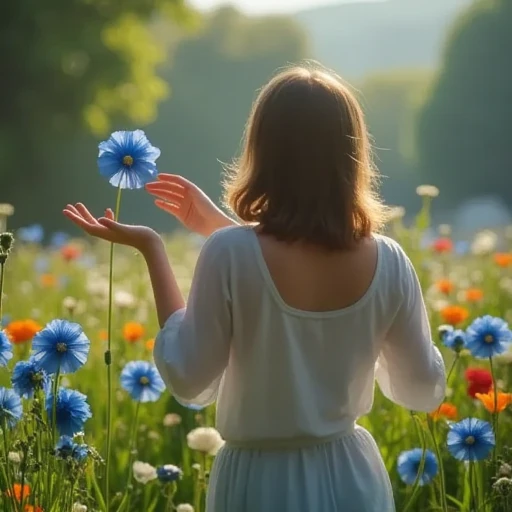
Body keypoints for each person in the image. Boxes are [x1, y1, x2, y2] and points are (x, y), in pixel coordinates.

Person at [64, 65, 446, 512]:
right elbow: (422, 389)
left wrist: (153, 248)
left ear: (263, 150)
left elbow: (189, 376)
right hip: (353, 478)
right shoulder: (390, 260)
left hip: (260, 483)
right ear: (352, 154)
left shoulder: (230, 252)